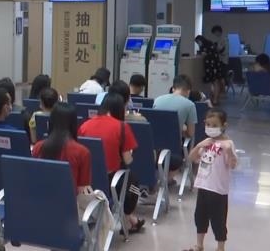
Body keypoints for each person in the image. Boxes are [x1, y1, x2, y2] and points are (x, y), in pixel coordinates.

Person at [78, 94, 145, 233]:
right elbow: (128, 160)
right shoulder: (122, 127)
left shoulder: (84, 125)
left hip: (86, 182)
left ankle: (130, 219)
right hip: (110, 181)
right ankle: (128, 217)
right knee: (134, 184)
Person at [187, 108, 237, 251]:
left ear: (224, 126)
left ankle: (220, 247)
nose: (210, 128)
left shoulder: (228, 143)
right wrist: (199, 145)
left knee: (218, 220)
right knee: (200, 216)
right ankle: (199, 244)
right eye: (208, 124)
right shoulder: (207, 142)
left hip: (218, 190)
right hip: (203, 186)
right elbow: (191, 158)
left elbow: (232, 165)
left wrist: (229, 151)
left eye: (214, 125)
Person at [33, 103, 92, 193]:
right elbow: (82, 190)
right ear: (74, 124)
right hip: (71, 201)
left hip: (41, 199)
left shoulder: (38, 147)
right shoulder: (82, 152)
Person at [153, 75, 198, 139]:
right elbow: (190, 133)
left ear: (173, 89)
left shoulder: (157, 100)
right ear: (188, 91)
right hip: (174, 142)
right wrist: (181, 128)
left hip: (154, 141)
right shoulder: (190, 105)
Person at [210, 25, 228, 102]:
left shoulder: (223, 39)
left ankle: (223, 92)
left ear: (218, 31)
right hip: (222, 60)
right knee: (221, 77)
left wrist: (216, 48)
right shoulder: (221, 39)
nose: (215, 34)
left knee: (221, 77)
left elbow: (222, 50)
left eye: (215, 33)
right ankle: (222, 92)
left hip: (223, 61)